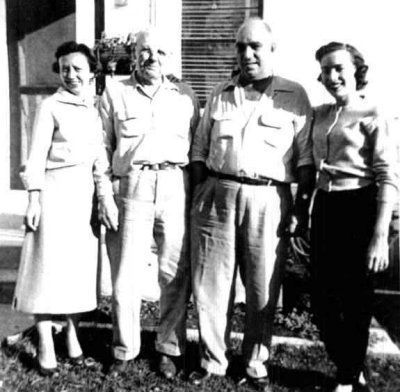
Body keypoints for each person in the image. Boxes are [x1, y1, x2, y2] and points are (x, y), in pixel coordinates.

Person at [189, 17, 315, 390]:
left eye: (255, 46)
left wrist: (300, 207)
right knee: (211, 285)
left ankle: (255, 363)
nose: (247, 54)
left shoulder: (294, 96)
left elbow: (305, 160)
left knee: (262, 286)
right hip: (217, 195)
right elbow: (199, 150)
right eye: (241, 46)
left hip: (268, 198)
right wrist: (201, 193)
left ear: (272, 50)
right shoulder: (220, 93)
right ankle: (213, 361)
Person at [98, 28, 199, 379]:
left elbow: (197, 147)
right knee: (125, 272)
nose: (152, 57)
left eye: (160, 51)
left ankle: (169, 348)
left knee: (173, 270)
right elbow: (101, 148)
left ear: (170, 57)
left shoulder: (185, 95)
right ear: (133, 54)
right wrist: (104, 194)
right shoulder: (114, 92)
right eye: (144, 50)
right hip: (132, 185)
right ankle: (124, 349)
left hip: (175, 183)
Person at [13, 41, 112, 375]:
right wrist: (34, 199)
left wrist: (102, 196)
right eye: (65, 68)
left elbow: (101, 156)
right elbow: (36, 156)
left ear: (91, 73)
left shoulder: (95, 108)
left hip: (82, 196)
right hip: (54, 194)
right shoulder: (49, 106)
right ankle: (45, 344)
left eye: (78, 69)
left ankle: (72, 335)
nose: (71, 75)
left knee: (79, 271)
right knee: (46, 271)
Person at [310, 42, 398, 392]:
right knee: (321, 298)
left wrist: (379, 236)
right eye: (326, 70)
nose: (332, 77)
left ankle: (347, 379)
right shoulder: (320, 113)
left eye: (339, 69)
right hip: (327, 206)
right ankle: (350, 362)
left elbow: (388, 176)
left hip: (360, 207)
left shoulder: (374, 113)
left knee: (355, 298)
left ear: (356, 71)